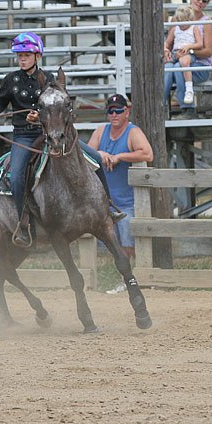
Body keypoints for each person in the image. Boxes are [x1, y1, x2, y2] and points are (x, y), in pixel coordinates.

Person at [0, 32, 124, 248]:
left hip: (47, 134)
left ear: (37, 55)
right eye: (19, 55)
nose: (22, 59)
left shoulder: (49, 80)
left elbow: (58, 106)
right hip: (24, 137)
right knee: (18, 176)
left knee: (95, 157)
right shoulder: (11, 80)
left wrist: (40, 117)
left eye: (26, 55)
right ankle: (22, 223)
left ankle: (108, 208)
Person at [88, 94, 154, 292]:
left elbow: (147, 153)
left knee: (127, 241)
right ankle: (122, 279)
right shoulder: (101, 131)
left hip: (127, 200)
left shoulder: (133, 132)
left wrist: (120, 157)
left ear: (127, 111)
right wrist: (100, 154)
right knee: (112, 242)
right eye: (110, 111)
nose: (114, 114)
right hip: (105, 201)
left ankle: (128, 280)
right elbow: (86, 154)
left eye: (118, 110)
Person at [163, 0, 212, 119]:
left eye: (204, 1)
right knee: (169, 67)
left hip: (199, 65)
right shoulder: (177, 19)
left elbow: (207, 51)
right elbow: (168, 42)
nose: (200, 2)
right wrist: (166, 50)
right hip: (178, 59)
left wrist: (189, 51)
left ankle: (188, 109)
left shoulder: (206, 23)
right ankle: (160, 105)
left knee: (179, 67)